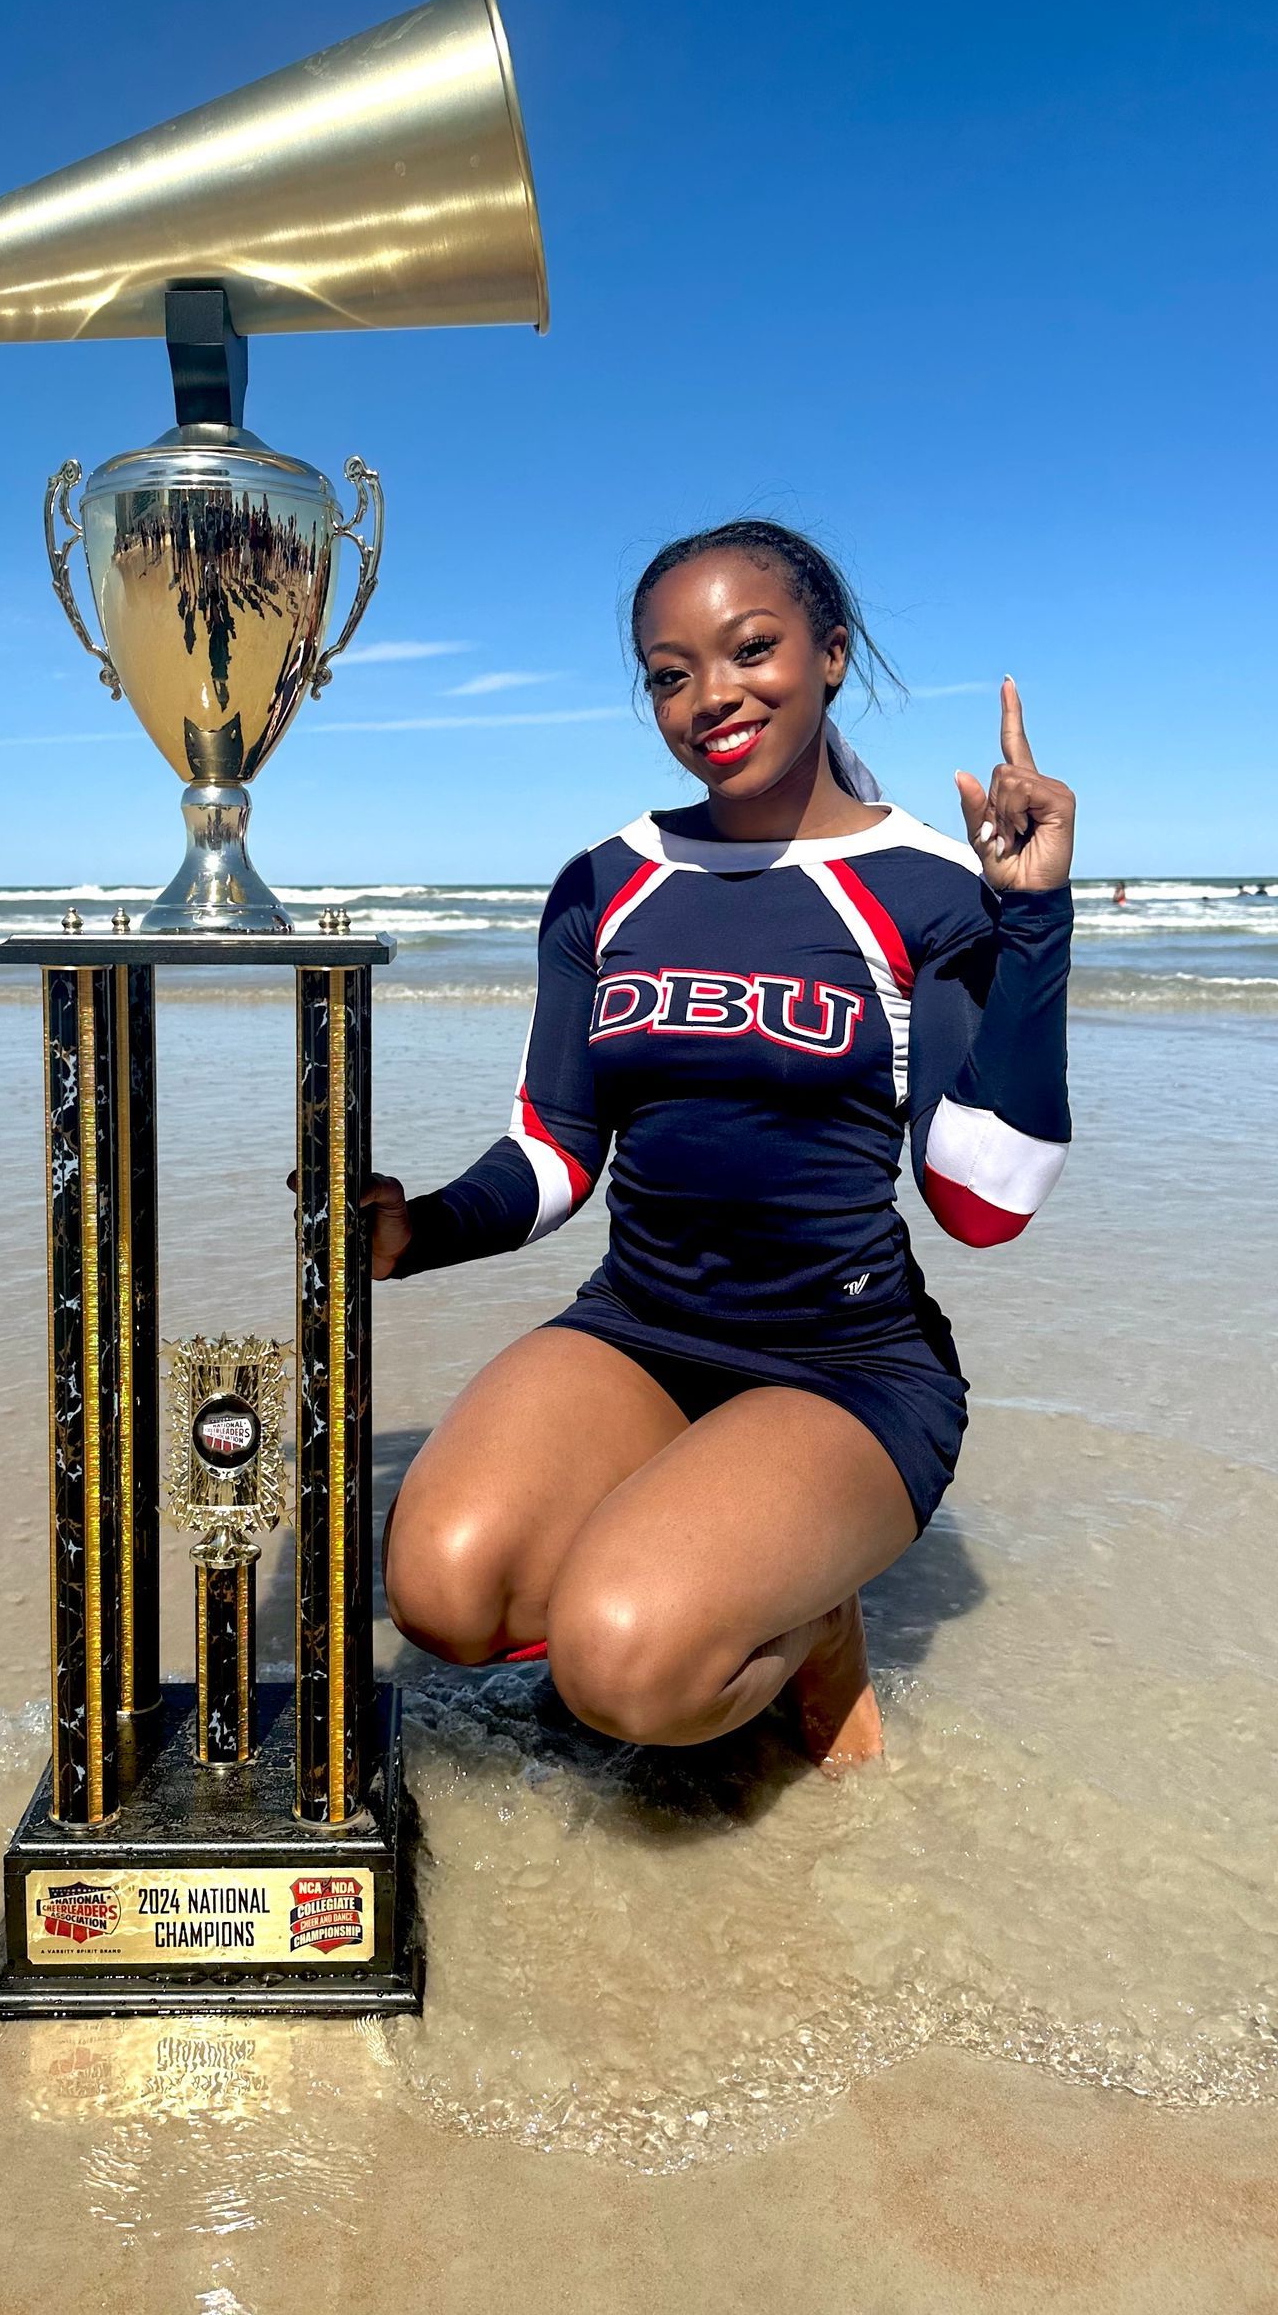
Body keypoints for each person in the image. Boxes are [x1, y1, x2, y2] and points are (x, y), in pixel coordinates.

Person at [371, 521, 1076, 1767]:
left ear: (831, 654)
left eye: (751, 649)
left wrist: (1030, 925)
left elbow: (984, 1199)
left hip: (844, 1370)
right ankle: (697, 1533)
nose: (712, 697)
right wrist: (417, 1228)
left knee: (624, 1666)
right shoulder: (608, 879)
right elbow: (555, 1148)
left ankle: (806, 1619)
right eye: (669, 671)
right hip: (640, 1329)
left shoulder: (918, 883)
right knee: (442, 1593)